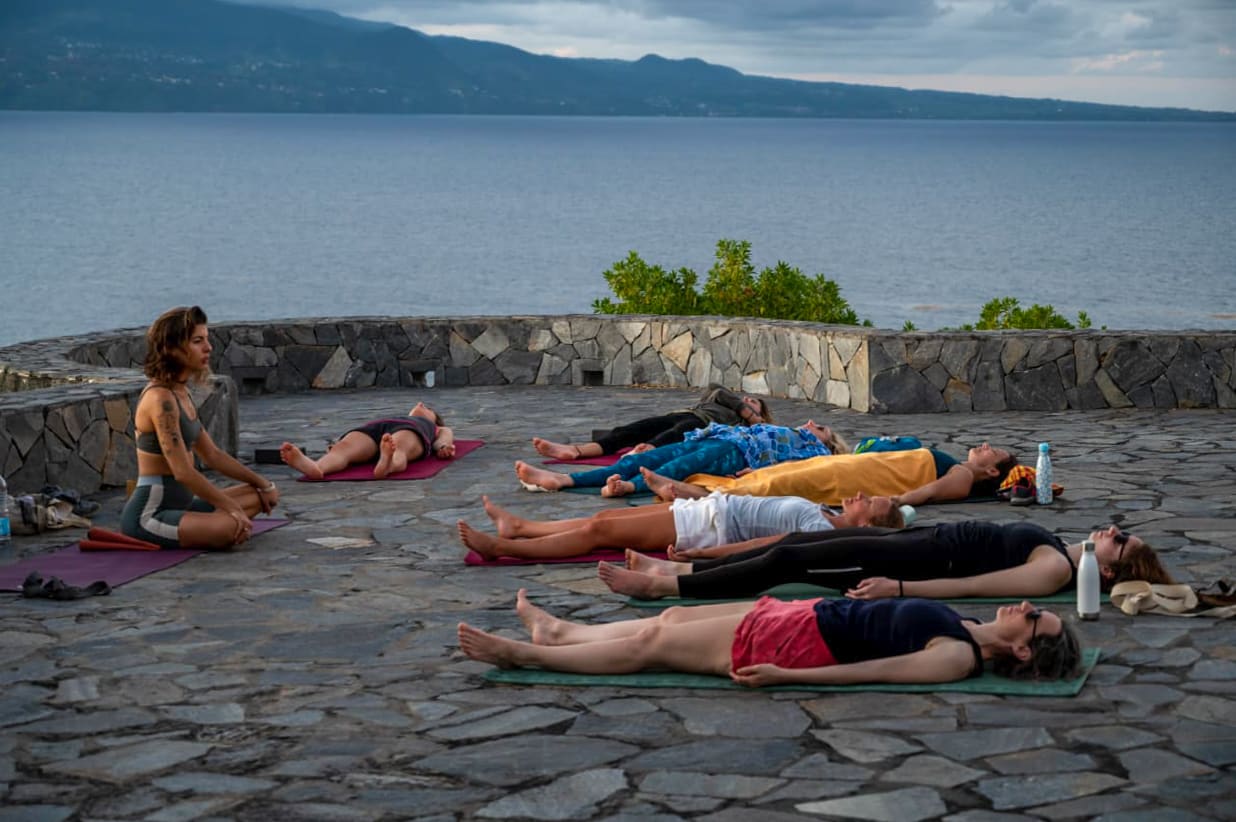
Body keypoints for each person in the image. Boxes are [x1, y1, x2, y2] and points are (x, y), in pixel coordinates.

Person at [458, 589, 1083, 686]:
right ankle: (565, 631)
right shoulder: (969, 627)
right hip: (804, 615)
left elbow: (867, 675)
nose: (1027, 607)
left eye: (1035, 618)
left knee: (652, 649)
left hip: (798, 648)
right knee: (669, 621)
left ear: (1023, 649)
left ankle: (527, 654)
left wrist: (788, 679)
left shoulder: (958, 658)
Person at [597, 521, 1175, 602]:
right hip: (919, 541)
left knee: (793, 562)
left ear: (1112, 570)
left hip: (919, 562)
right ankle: (680, 571)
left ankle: (666, 590)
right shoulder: (1063, 547)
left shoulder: (1054, 569)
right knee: (795, 541)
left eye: (1118, 541)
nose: (1111, 531)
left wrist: (899, 588)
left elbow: (976, 587)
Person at [120, 306, 281, 550]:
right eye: (198, 341)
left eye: (206, 340)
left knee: (261, 496)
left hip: (183, 506)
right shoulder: (160, 400)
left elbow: (213, 455)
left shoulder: (180, 392)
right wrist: (232, 508)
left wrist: (263, 484)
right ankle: (222, 524)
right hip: (150, 515)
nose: (208, 348)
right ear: (172, 348)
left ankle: (220, 522)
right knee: (227, 527)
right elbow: (183, 472)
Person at [457, 491, 905, 560]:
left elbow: (774, 542)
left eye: (869, 502)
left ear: (868, 521)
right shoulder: (824, 511)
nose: (859, 497)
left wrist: (706, 556)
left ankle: (506, 548)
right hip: (710, 508)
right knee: (604, 518)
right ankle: (521, 527)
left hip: (710, 529)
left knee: (600, 535)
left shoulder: (824, 531)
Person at [515, 420, 839, 497]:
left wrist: (759, 471)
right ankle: (563, 479)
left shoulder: (817, 451)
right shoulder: (791, 431)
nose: (811, 424)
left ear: (830, 442)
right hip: (719, 438)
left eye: (821, 427)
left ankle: (629, 488)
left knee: (674, 470)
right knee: (641, 458)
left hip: (736, 454)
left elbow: (798, 469)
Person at [640, 442, 1019, 506]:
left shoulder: (964, 475)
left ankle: (700, 498)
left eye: (993, 451)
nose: (985, 445)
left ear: (989, 469)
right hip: (856, 467)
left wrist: (895, 502)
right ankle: (702, 491)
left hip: (863, 481)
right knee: (787, 471)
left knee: (784, 485)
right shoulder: (957, 462)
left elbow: (933, 492)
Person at [532, 383, 781, 460]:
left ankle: (645, 451)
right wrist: (746, 408)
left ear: (761, 413)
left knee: (678, 431)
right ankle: (575, 451)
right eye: (746, 398)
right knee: (630, 430)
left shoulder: (743, 426)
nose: (747, 400)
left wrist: (750, 418)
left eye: (755, 402)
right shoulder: (721, 400)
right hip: (685, 412)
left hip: (702, 426)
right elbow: (716, 389)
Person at [279, 402, 454, 479]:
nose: (421, 403)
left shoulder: (433, 427)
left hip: (411, 431)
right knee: (343, 448)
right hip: (375, 430)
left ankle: (388, 463)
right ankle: (317, 467)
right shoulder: (397, 416)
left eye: (429, 408)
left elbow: (444, 438)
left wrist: (444, 447)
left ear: (435, 420)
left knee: (398, 447)